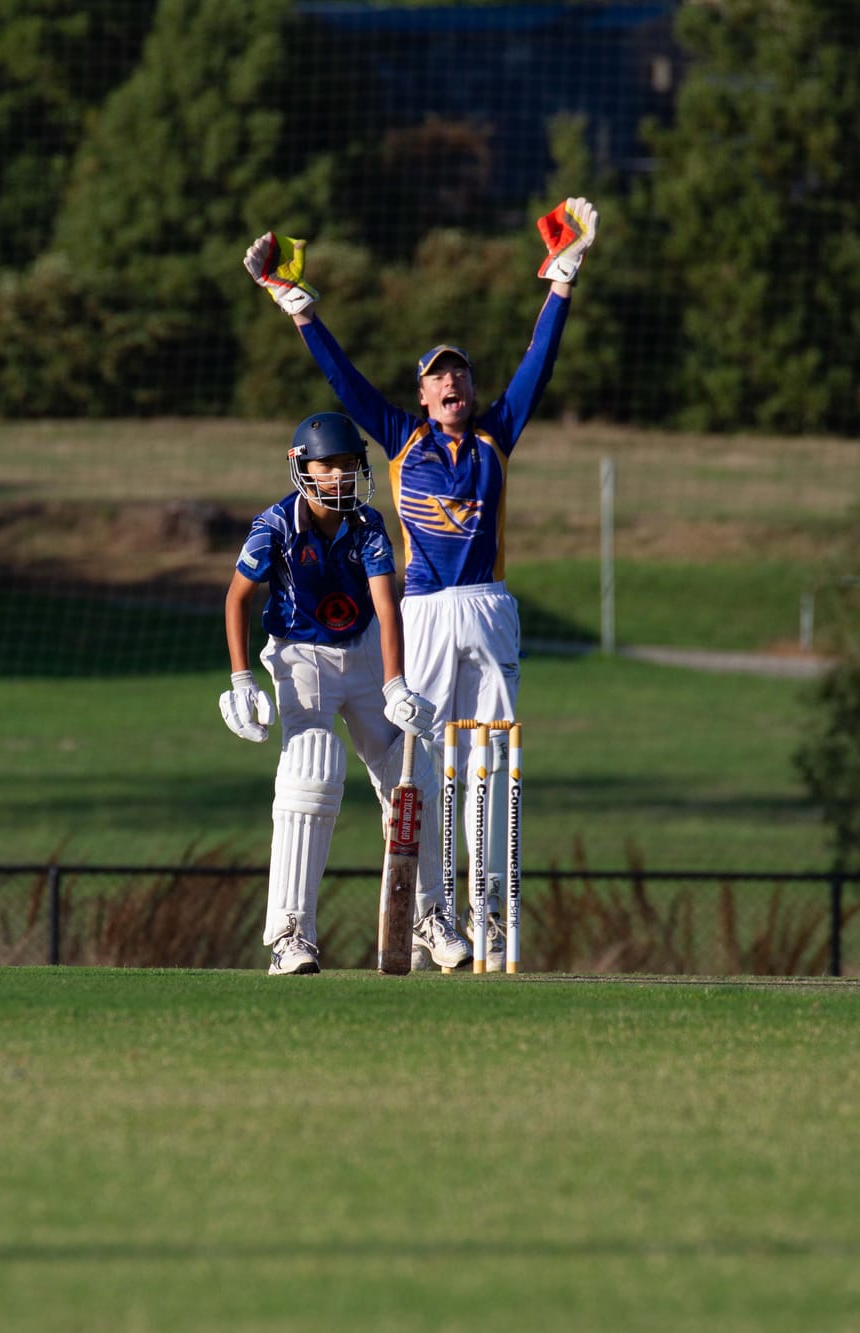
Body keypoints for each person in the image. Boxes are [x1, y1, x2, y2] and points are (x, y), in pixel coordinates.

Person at [242, 197, 598, 967]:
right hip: (424, 611)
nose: (452, 382)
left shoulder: (496, 434)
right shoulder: (402, 439)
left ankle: (490, 914)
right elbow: (346, 383)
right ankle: (432, 914)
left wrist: (562, 281)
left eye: (459, 373)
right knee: (425, 768)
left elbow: (539, 364)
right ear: (425, 393)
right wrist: (301, 311)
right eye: (439, 376)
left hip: (488, 606)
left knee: (490, 760)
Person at [220, 412, 468, 975]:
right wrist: (240, 680)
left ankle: (430, 916)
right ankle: (290, 935)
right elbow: (237, 597)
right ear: (301, 468)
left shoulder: (367, 524)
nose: (339, 476)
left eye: (348, 465)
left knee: (411, 771)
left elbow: (386, 604)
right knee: (312, 768)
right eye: (328, 466)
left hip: (362, 648)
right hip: (299, 656)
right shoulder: (274, 526)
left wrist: (395, 683)